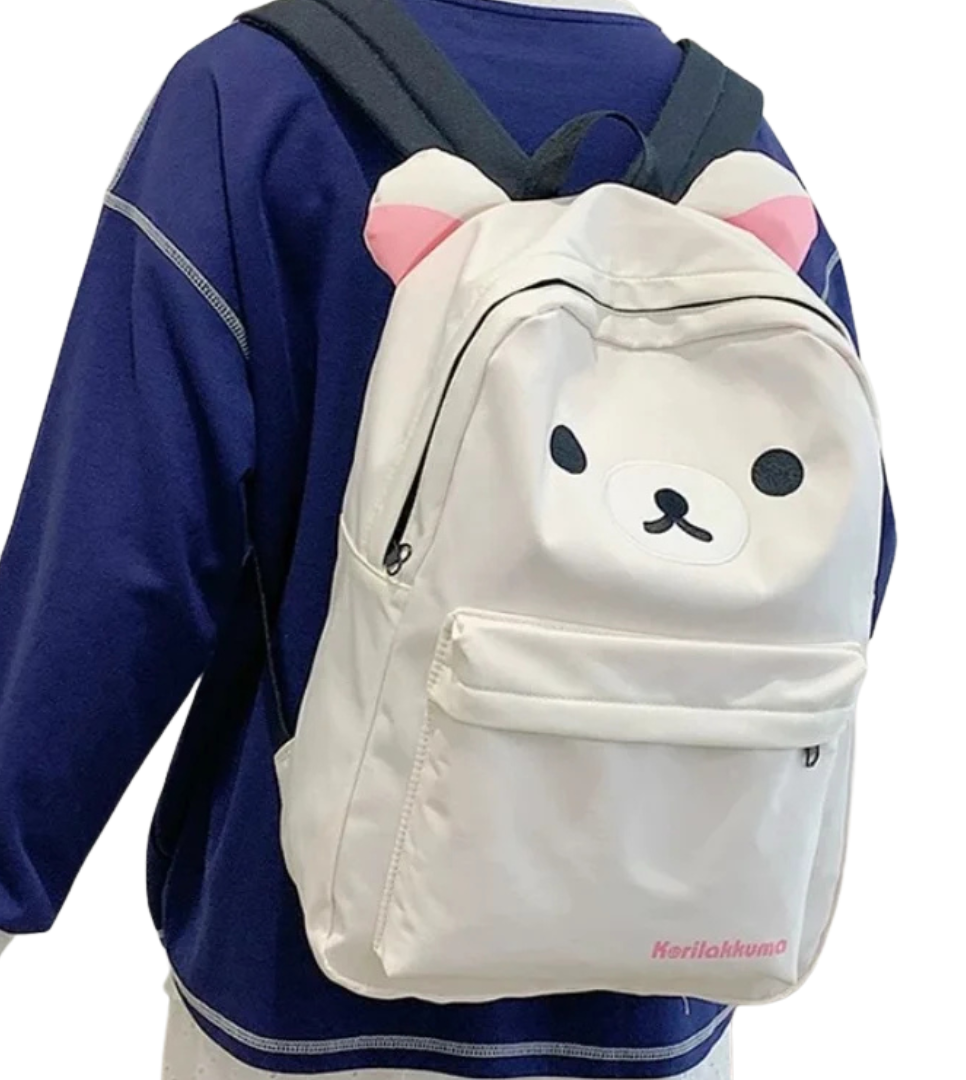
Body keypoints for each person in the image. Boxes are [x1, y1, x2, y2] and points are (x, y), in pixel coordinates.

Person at [0, 0, 857, 1076]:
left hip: (303, 991)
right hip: (660, 996)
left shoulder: (254, 104)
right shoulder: (739, 147)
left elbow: (120, 560)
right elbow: (837, 560)